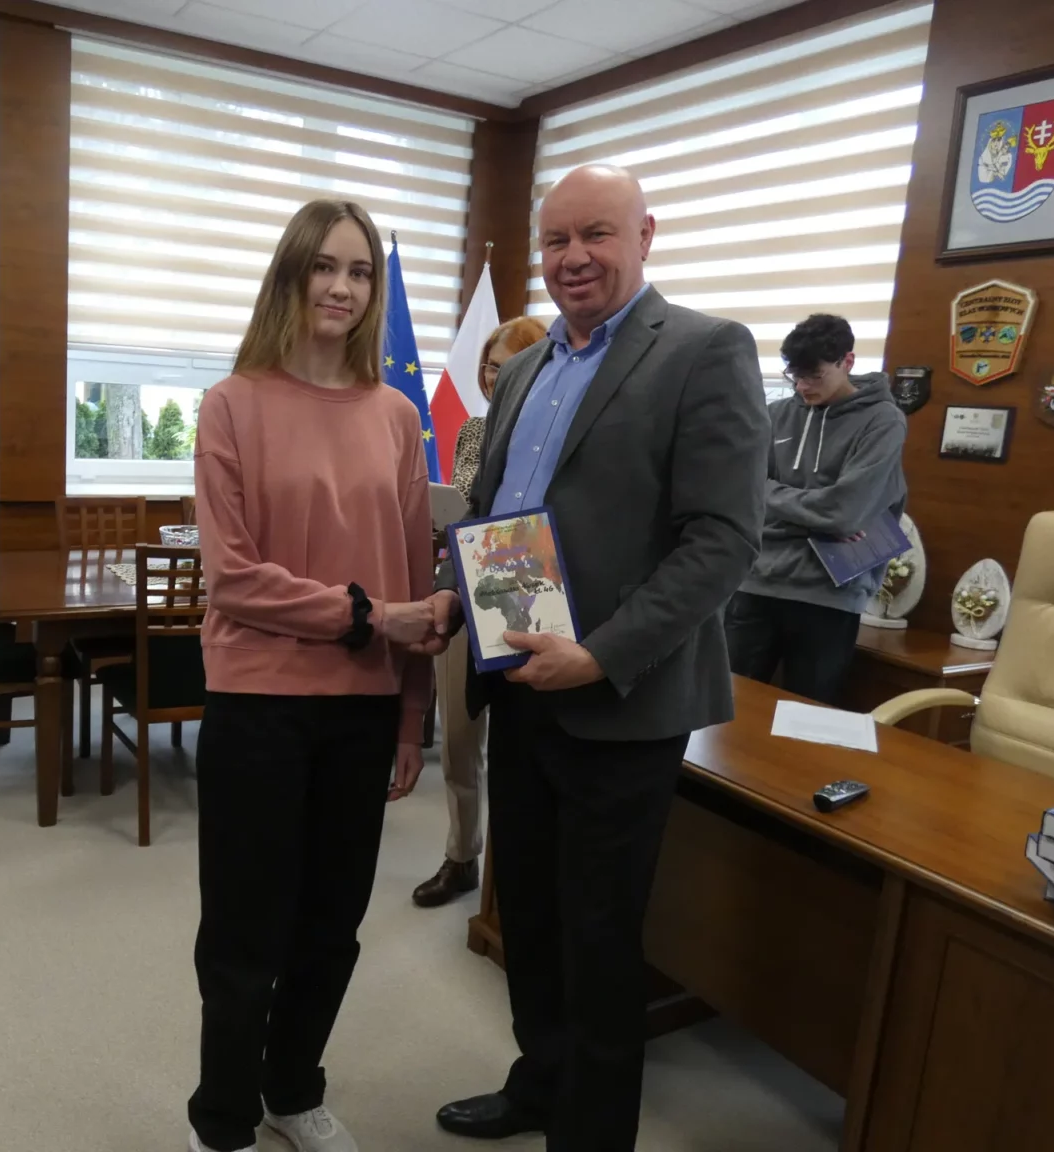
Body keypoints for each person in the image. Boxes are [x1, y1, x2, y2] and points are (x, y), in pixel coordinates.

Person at [419, 165, 769, 1151]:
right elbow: (494, 515)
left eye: (597, 234)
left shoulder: (706, 351)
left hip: (622, 702)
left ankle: (592, 1133)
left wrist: (601, 655)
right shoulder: (527, 365)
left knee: (600, 936)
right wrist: (454, 593)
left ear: (645, 235)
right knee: (528, 916)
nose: (573, 257)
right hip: (520, 687)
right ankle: (539, 1085)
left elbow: (723, 540)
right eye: (556, 239)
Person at [187, 198, 436, 1152]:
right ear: (290, 276)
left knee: (332, 926)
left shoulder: (397, 417)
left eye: (360, 271)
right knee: (244, 934)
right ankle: (223, 1121)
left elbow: (411, 577)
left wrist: (411, 717)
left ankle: (292, 1090)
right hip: (257, 704)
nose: (342, 287)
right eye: (324, 266)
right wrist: (365, 615)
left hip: (363, 710)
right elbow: (232, 579)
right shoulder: (232, 403)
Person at [414, 315, 546, 909]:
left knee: (522, 745)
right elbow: (468, 502)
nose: (496, 378)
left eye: (508, 366)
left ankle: (510, 876)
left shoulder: (560, 428)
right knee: (460, 737)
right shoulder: (474, 429)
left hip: (531, 591)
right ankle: (462, 854)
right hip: (465, 581)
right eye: (490, 367)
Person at [726, 313, 907, 705]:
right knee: (730, 707)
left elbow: (844, 513)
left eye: (815, 376)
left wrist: (772, 497)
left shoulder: (884, 421)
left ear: (848, 361)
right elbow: (739, 492)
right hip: (755, 582)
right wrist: (818, 516)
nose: (803, 386)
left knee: (806, 717)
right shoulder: (776, 415)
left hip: (830, 593)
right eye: (795, 376)